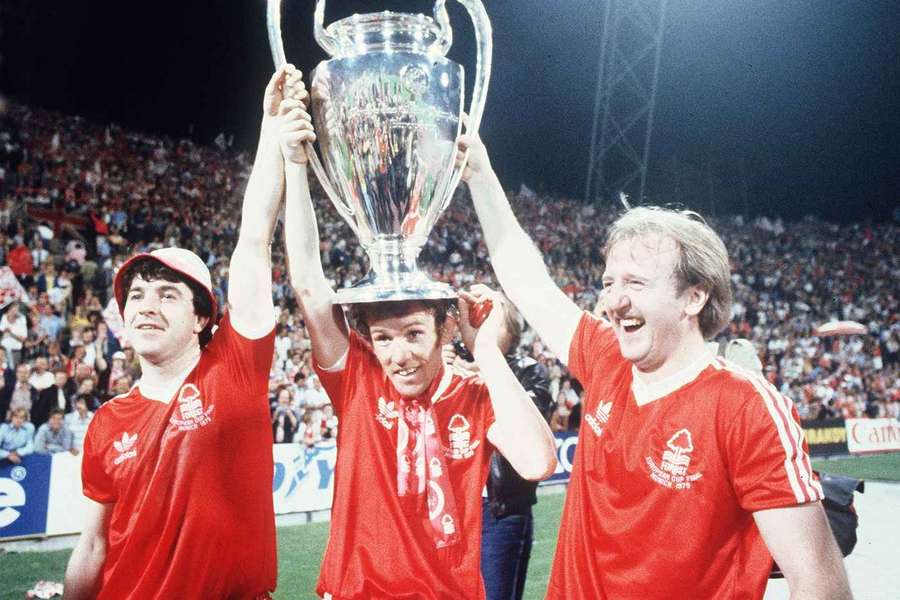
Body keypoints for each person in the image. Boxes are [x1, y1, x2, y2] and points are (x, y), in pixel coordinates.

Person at [456, 134, 853, 599]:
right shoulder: (604, 357)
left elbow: (820, 585)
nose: (613, 300)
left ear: (694, 296)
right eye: (608, 282)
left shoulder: (747, 408)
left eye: (636, 282)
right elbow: (527, 282)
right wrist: (480, 175)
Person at [281, 96, 557, 599]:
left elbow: (538, 463)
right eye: (383, 338)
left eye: (413, 334)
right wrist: (295, 167)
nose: (397, 355)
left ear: (446, 330)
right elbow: (307, 284)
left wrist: (488, 351)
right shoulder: (359, 380)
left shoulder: (476, 393)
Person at [63, 65, 311, 600]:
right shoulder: (106, 423)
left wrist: (268, 128)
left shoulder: (235, 367)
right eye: (136, 295)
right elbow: (91, 548)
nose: (146, 306)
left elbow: (253, 238)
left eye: (167, 294)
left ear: (202, 317)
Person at [446, 287, 554, 600]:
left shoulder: (530, 370)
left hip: (500, 509)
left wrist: (486, 373)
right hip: (454, 507)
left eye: (495, 314)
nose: (486, 320)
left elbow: (532, 425)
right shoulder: (451, 364)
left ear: (512, 326)